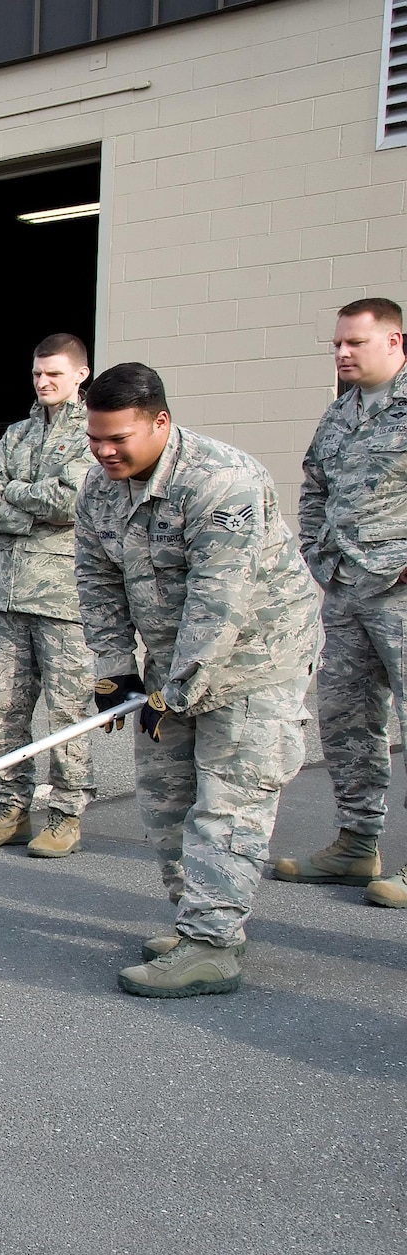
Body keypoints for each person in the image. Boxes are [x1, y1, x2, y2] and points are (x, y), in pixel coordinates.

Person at [79, 363, 320, 996]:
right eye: (94, 438)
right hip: (172, 666)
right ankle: (199, 920)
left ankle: (212, 947)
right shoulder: (99, 490)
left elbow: (220, 602)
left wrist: (178, 691)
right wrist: (115, 674)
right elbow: (97, 583)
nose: (105, 452)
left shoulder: (221, 481)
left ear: (160, 422)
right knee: (166, 801)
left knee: (228, 804)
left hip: (255, 664)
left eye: (119, 439)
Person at [273, 297, 407, 907]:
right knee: (348, 721)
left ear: (395, 341)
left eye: (354, 343)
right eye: (337, 344)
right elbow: (314, 485)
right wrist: (318, 555)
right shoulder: (340, 414)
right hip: (349, 590)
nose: (342, 353)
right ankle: (357, 843)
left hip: (400, 591)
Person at [0, 334, 98, 857]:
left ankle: (66, 814)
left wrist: (15, 495)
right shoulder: (15, 436)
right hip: (9, 597)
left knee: (67, 712)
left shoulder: (92, 433)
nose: (44, 382)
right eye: (38, 373)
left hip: (64, 599)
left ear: (80, 375)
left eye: (55, 374)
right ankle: (11, 806)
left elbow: (73, 501)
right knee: (3, 707)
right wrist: (32, 504)